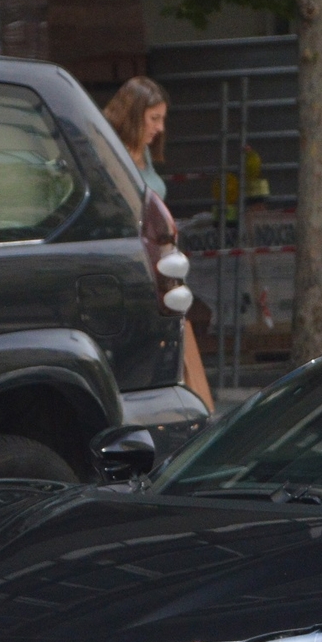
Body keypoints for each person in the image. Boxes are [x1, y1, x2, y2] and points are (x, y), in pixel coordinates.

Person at [103, 77, 215, 410]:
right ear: (134, 115)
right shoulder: (112, 152)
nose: (160, 128)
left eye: (162, 119)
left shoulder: (144, 155)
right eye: (154, 119)